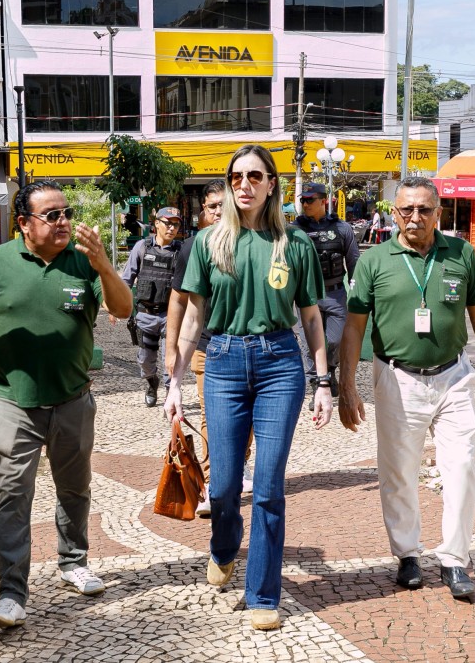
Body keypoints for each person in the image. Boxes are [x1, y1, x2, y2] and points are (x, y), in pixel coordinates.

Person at [0, 180, 133, 629]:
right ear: (23, 223)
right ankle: (11, 595)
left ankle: (73, 562)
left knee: (74, 489)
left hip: (73, 400)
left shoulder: (83, 261)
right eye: (52, 215)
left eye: (66, 212)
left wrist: (103, 265)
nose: (64, 221)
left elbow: (124, 307)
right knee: (11, 496)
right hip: (13, 404)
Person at [165, 144, 332, 631]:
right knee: (221, 488)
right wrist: (175, 380)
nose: (244, 185)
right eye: (236, 177)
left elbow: (311, 317)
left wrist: (322, 381)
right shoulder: (207, 242)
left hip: (281, 363)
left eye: (254, 176)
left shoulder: (295, 244)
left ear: (271, 184)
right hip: (222, 362)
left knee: (268, 487)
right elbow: (194, 316)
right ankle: (223, 546)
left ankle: (263, 593)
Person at [338, 176, 475, 600]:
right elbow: (354, 327)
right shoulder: (374, 260)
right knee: (398, 472)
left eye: (424, 210)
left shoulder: (461, 254)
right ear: (394, 213)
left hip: (453, 376)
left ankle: (455, 559)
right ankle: (407, 554)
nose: (415, 217)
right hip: (397, 378)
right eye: (406, 210)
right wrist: (347, 386)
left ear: (439, 212)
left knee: (463, 468)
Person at [165, 180, 256, 518]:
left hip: (250, 346)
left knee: (247, 419)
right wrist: (171, 350)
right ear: (203, 211)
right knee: (211, 417)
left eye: (223, 205)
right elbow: (177, 300)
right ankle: (209, 483)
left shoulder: (252, 242)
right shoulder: (193, 247)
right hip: (207, 347)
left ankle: (238, 464)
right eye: (212, 206)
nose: (218, 211)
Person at [292, 182, 360, 406]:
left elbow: (353, 261)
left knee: (335, 339)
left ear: (323, 201)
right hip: (305, 295)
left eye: (310, 200)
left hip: (335, 294)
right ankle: (316, 385)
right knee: (308, 343)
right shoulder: (295, 230)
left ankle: (329, 370)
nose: (305, 204)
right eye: (303, 200)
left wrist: (356, 289)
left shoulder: (342, 229)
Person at [121, 207, 183, 407]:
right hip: (145, 314)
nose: (172, 228)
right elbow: (126, 280)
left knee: (170, 360)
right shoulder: (142, 247)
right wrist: (116, 306)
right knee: (146, 360)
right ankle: (151, 382)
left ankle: (169, 394)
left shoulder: (181, 251)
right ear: (156, 224)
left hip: (170, 315)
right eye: (168, 223)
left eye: (176, 224)